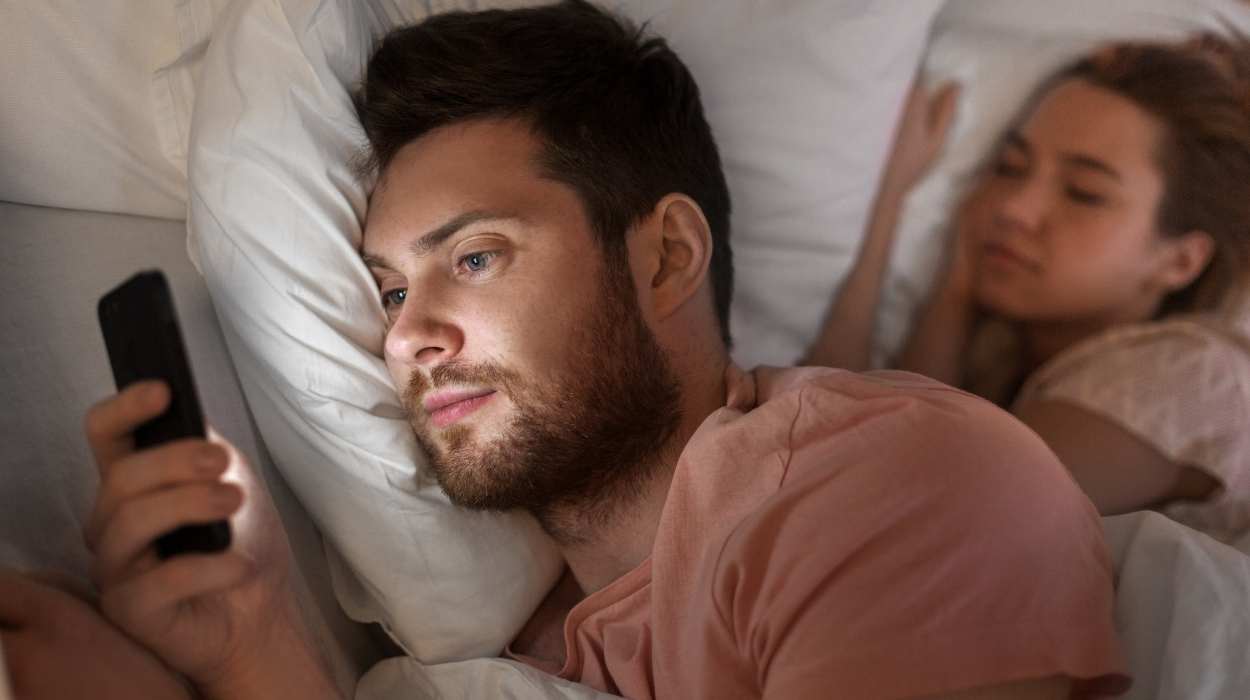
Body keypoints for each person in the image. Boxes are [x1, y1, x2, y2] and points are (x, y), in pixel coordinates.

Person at [0, 2, 1129, 698]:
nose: (405, 336)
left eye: (476, 257)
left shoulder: (883, 490)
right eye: (389, 289)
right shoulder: (525, 657)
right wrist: (244, 642)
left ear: (666, 256)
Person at [805, 36, 1250, 543]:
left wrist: (885, 207)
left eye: (1083, 193)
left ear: (1180, 260)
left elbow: (887, 515)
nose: (1013, 208)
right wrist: (955, 287)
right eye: (1010, 168)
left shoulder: (1189, 376)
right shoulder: (1004, 361)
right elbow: (879, 441)